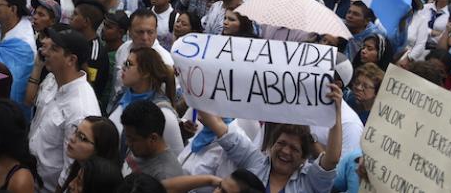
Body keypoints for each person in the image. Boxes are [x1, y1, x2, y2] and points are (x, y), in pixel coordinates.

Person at [198, 81, 343, 193]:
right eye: (281, 143)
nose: (285, 151)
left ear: (304, 158)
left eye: (294, 149)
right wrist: (194, 84)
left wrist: (336, 113)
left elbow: (332, 159)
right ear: (272, 144)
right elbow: (218, 126)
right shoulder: (255, 161)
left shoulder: (310, 181)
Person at [30, 28, 101, 191]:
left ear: (71, 60)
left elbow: (72, 167)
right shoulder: (53, 79)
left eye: (54, 49)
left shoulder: (81, 109)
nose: (45, 51)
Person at [108, 47, 183, 157]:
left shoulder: (164, 114)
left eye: (129, 64)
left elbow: (177, 158)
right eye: (124, 63)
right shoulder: (122, 94)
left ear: (145, 72)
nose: (123, 67)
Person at [113, 9, 173, 96]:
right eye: (140, 32)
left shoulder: (165, 60)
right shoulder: (123, 49)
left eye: (150, 32)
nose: (145, 38)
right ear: (129, 31)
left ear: (156, 32)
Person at [121, 100, 184, 179]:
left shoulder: (165, 176)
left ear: (153, 138)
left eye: (132, 139)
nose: (127, 143)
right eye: (127, 137)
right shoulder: (142, 150)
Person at [59, 116, 121, 192]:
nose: (72, 138)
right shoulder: (78, 168)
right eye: (75, 131)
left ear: (99, 149)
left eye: (82, 137)